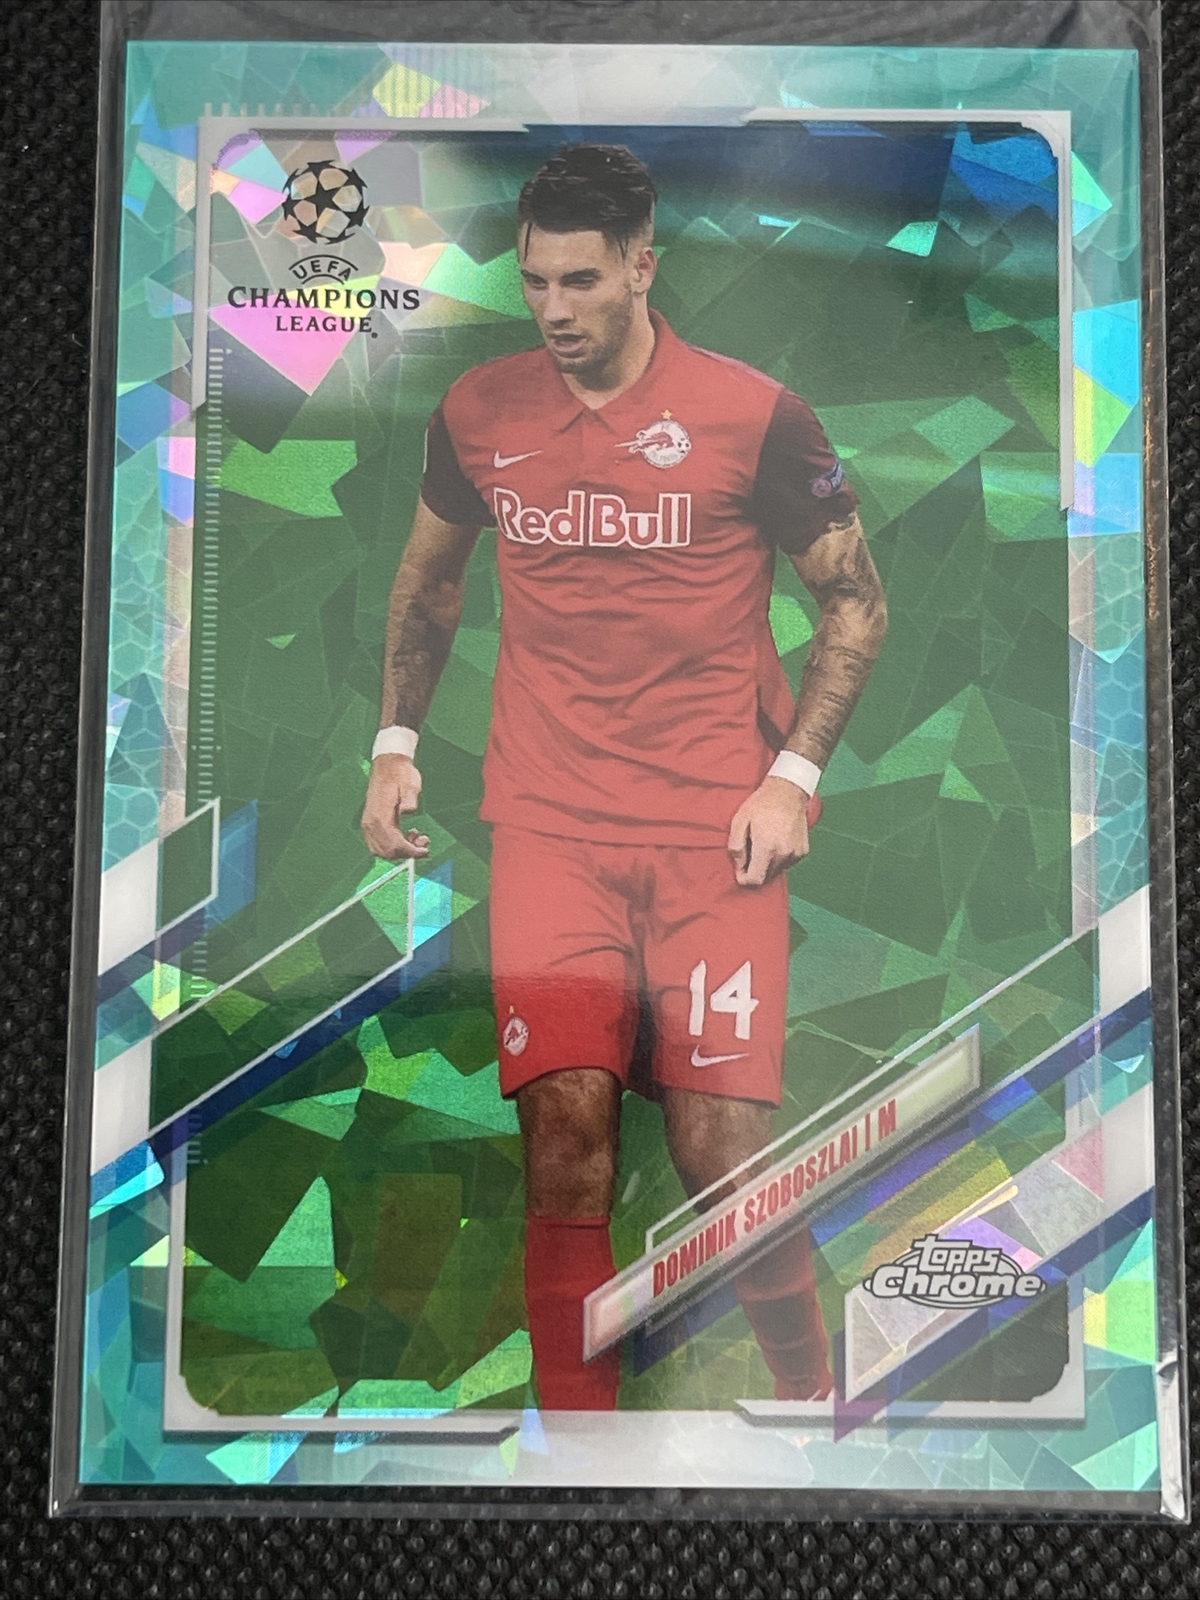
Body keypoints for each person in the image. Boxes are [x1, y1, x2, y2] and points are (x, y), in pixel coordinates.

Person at [361, 144, 887, 1410]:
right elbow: (430, 582)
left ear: (645, 266)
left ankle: (814, 1408)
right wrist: (394, 747)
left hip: (716, 838)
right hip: (549, 831)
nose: (554, 309)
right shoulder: (479, 413)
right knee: (566, 1144)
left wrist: (794, 775)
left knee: (720, 1155)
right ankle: (578, 1457)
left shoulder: (757, 416)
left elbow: (856, 601)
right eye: (535, 281)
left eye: (583, 281)